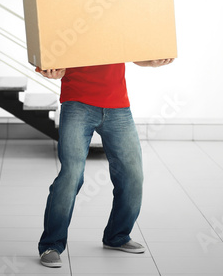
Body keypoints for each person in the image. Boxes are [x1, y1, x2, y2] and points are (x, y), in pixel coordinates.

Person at [36, 59, 174, 268]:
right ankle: (51, 245)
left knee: (132, 175)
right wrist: (53, 68)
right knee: (71, 175)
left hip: (118, 106)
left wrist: (152, 62)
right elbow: (53, 53)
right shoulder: (68, 24)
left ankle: (117, 236)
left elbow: (130, 52)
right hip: (77, 103)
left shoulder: (116, 25)